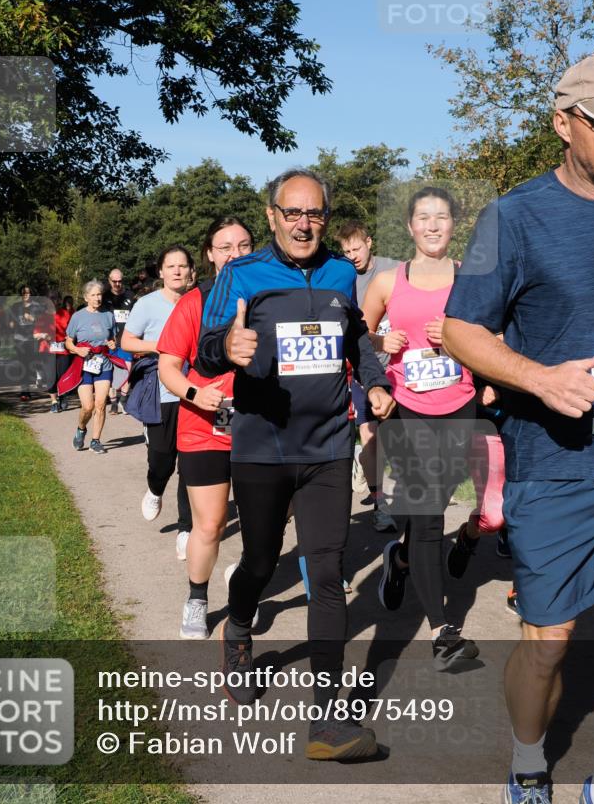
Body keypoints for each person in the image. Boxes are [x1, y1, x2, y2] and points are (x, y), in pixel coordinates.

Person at [441, 54, 594, 804]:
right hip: (554, 466)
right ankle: (529, 758)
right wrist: (538, 378)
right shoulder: (513, 217)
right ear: (563, 125)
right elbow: (460, 329)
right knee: (546, 648)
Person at [199, 167, 395, 761]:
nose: (305, 224)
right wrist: (226, 349)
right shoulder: (241, 274)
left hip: (329, 447)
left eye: (315, 214)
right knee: (259, 560)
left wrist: (377, 381)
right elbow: (206, 351)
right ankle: (238, 627)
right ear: (272, 216)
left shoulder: (341, 272)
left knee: (327, 571)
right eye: (294, 213)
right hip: (262, 447)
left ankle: (328, 722)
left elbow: (357, 338)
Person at [363, 187, 479, 669]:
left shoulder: (472, 280)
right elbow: (358, 339)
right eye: (423, 217)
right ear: (410, 226)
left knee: (430, 508)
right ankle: (443, 632)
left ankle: (402, 560)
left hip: (460, 404)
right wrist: (380, 339)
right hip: (405, 408)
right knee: (430, 515)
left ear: (454, 225)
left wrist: (459, 342)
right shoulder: (389, 281)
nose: (433, 225)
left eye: (442, 217)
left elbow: (494, 337)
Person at [157, 218, 255, 638]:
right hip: (204, 424)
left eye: (244, 245)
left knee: (268, 521)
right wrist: (196, 394)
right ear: (210, 255)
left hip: (259, 423)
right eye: (225, 246)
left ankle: (247, 575)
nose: (235, 253)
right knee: (210, 523)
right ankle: (197, 599)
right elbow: (168, 368)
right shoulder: (194, 302)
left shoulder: (269, 297)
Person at [121, 245, 195, 557]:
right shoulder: (147, 304)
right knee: (163, 456)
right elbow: (127, 341)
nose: (177, 271)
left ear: (192, 270)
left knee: (192, 465)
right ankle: (155, 488)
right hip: (162, 391)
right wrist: (161, 346)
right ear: (161, 272)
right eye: (171, 266)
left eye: (183, 266)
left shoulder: (200, 301)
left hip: (194, 391)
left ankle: (187, 529)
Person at [338, 221, 400, 531]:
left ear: (369, 243)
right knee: (372, 434)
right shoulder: (344, 279)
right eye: (346, 251)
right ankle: (380, 504)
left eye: (356, 248)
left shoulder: (396, 270)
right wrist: (377, 341)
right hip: (364, 369)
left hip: (401, 368)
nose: (352, 256)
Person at [64, 280, 117, 454]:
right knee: (88, 406)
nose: (97, 298)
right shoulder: (78, 317)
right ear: (86, 297)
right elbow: (68, 342)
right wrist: (78, 350)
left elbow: (113, 339)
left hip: (104, 363)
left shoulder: (108, 315)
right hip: (84, 364)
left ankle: (96, 441)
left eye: (99, 294)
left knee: (100, 404)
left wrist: (112, 344)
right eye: (93, 295)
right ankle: (81, 429)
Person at [102, 268, 135, 415]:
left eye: (119, 281)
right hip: (110, 341)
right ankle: (114, 402)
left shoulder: (130, 296)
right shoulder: (104, 297)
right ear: (109, 281)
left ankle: (124, 399)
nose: (117, 284)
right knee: (113, 373)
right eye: (114, 281)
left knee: (127, 371)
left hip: (127, 340)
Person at [8, 286, 41, 402]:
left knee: (30, 365)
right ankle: (24, 391)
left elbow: (42, 321)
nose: (26, 294)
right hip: (20, 339)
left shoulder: (36, 306)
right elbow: (10, 321)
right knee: (23, 364)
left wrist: (32, 318)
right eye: (24, 293)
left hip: (32, 339)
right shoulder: (15, 306)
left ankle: (29, 388)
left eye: (28, 292)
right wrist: (11, 324)